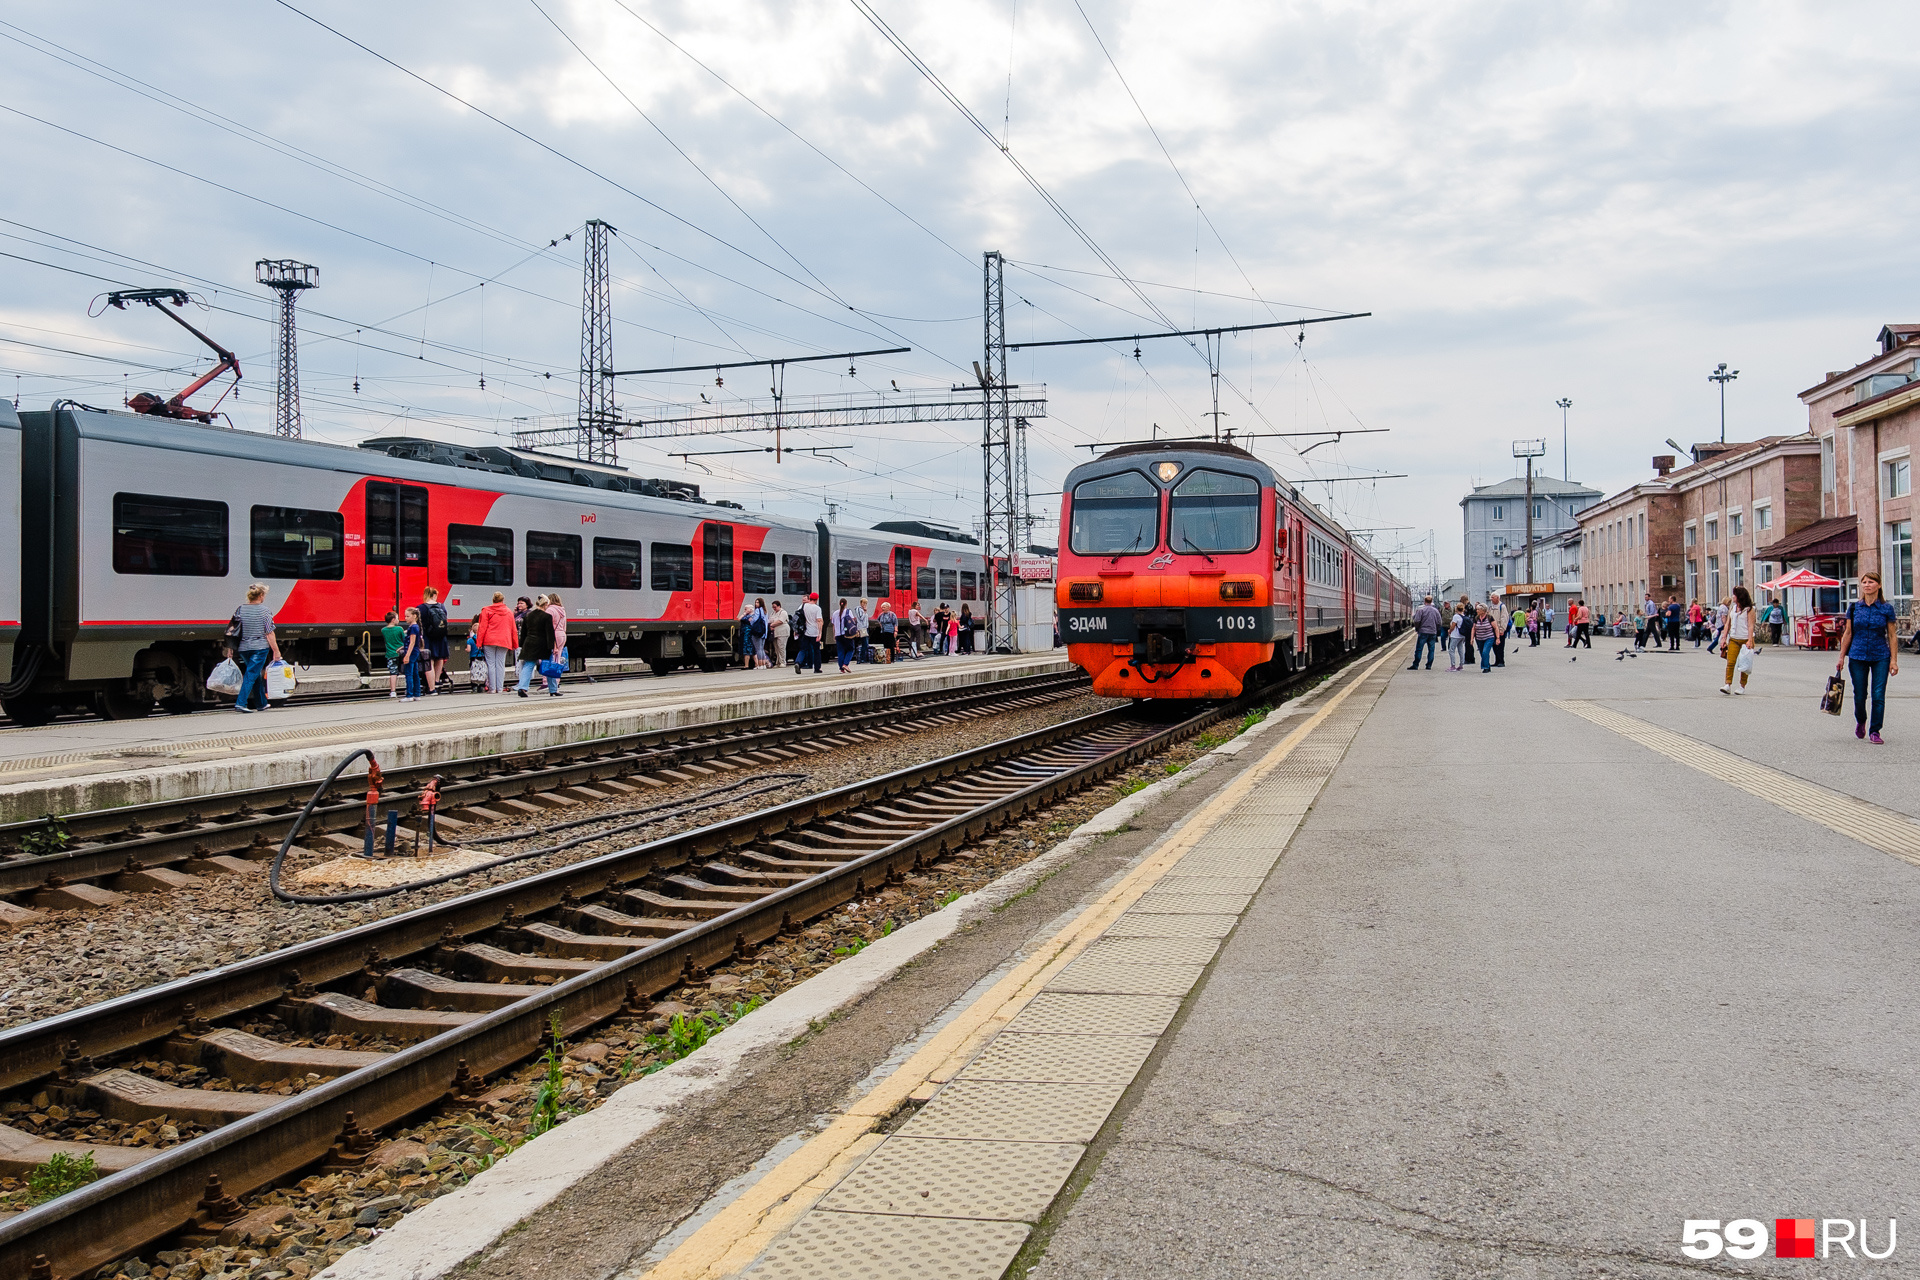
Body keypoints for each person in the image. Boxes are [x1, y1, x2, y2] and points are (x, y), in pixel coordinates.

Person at [1833, 571, 1899, 742]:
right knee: (1860, 694)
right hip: (1857, 655)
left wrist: (1893, 660)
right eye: (1864, 582)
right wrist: (1841, 657)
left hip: (1881, 656)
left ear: (1878, 585)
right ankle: (1861, 720)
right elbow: (1847, 633)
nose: (1867, 585)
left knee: (1878, 695)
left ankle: (1875, 731)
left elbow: (1892, 636)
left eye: (1871, 582)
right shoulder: (1854, 608)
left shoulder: (1886, 608)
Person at [231, 583, 283, 713]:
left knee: (254, 674)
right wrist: (276, 651)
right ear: (260, 595)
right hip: (259, 648)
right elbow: (269, 633)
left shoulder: (240, 609)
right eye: (264, 594)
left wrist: (230, 648)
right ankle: (241, 703)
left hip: (244, 648)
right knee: (251, 674)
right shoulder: (265, 611)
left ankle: (261, 704)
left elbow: (233, 631)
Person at [474, 591, 518, 693]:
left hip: (489, 640)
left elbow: (482, 628)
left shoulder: (486, 610)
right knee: (500, 664)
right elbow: (513, 629)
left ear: (493, 600)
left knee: (491, 664)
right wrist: (515, 644)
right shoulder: (508, 612)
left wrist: (479, 642)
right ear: (503, 600)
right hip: (504, 641)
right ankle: (500, 688)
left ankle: (492, 688)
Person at [516, 594, 559, 697]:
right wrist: (553, 647)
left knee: (528, 665)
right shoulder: (547, 616)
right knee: (549, 666)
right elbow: (550, 633)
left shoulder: (528, 616)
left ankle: (522, 687)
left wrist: (521, 645)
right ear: (545, 604)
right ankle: (553, 689)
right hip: (542, 644)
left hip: (529, 643)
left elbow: (524, 632)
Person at [1719, 587, 1757, 695]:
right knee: (1730, 662)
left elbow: (1750, 626)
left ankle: (1742, 686)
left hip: (1746, 639)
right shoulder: (1733, 608)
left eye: (1734, 595)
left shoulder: (1749, 610)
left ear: (1740, 596)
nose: (1733, 597)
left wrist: (1750, 640)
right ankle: (1727, 684)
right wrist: (1724, 638)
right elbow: (1727, 624)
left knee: (1744, 664)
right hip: (1734, 638)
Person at [418, 586, 450, 695]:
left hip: (428, 637)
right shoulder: (442, 606)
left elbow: (420, 624)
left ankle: (432, 688)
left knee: (429, 661)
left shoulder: (421, 608)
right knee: (439, 658)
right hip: (441, 636)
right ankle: (436, 681)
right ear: (434, 595)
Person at [399, 606, 425, 702]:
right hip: (414, 652)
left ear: (414, 616)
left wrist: (407, 655)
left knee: (409, 673)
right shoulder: (415, 627)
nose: (405, 618)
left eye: (407, 616)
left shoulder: (413, 627)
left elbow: (412, 642)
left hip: (411, 652)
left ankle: (409, 695)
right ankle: (417, 694)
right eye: (405, 616)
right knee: (415, 673)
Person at [1410, 595, 1441, 670]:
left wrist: (1417, 628)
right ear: (1431, 601)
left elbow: (1416, 621)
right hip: (1433, 632)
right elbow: (1439, 622)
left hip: (1423, 631)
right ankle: (1429, 665)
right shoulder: (1436, 611)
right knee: (1431, 649)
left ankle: (1416, 665)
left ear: (1424, 601)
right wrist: (1436, 629)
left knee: (1419, 649)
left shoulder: (1421, 610)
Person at [545, 593, 569, 685]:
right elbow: (564, 625)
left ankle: (549, 682)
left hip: (554, 635)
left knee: (551, 658)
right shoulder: (562, 610)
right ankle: (557, 680)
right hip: (562, 634)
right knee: (557, 658)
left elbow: (549, 625)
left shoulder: (550, 610)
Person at [380, 610, 404, 698]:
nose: (398, 620)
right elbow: (404, 639)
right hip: (401, 654)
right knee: (407, 671)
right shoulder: (399, 629)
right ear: (393, 619)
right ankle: (409, 689)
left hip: (390, 654)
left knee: (393, 673)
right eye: (397, 618)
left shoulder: (383, 630)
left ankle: (393, 691)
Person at [798, 593, 824, 674]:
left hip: (806, 632)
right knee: (816, 651)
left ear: (810, 598)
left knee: (803, 649)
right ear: (817, 599)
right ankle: (817, 668)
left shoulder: (804, 606)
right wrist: (820, 633)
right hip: (814, 632)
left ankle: (798, 662)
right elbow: (819, 621)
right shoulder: (817, 608)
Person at [835, 598, 858, 673]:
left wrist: (834, 634)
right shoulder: (848, 612)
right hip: (847, 634)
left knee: (840, 651)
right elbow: (851, 623)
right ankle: (845, 664)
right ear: (846, 604)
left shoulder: (835, 613)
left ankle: (841, 668)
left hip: (838, 635)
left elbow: (833, 625)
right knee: (850, 650)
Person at [1472, 605, 1496, 672]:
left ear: (1483, 611)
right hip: (1479, 638)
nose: (1477, 611)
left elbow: (1495, 628)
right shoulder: (1476, 618)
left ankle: (1486, 667)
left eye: (1478, 609)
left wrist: (1498, 638)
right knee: (1482, 652)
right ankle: (1487, 665)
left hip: (1489, 637)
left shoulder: (1489, 617)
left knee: (1485, 652)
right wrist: (1472, 639)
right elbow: (1473, 628)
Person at [747, 597, 769, 668]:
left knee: (758, 649)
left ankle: (760, 665)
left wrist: (751, 620)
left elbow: (755, 619)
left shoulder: (757, 610)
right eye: (756, 602)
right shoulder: (765, 611)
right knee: (761, 648)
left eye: (757, 602)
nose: (756, 604)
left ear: (761, 603)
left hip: (757, 632)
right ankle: (763, 664)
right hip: (763, 632)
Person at [768, 601, 791, 669]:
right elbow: (769, 620)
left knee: (781, 647)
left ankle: (783, 662)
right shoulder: (773, 613)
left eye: (775, 607)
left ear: (779, 606)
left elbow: (780, 621)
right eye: (773, 607)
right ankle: (778, 662)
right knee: (776, 648)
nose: (774, 608)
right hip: (775, 633)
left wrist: (771, 625)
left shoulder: (783, 612)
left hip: (783, 632)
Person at [1491, 597, 1508, 668]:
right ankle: (1497, 660)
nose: (1491, 599)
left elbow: (1504, 618)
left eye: (1493, 597)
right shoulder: (1491, 607)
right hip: (1492, 629)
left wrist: (1502, 629)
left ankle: (1501, 661)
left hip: (1500, 629)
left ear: (1497, 598)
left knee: (1500, 646)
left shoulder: (1502, 607)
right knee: (1494, 645)